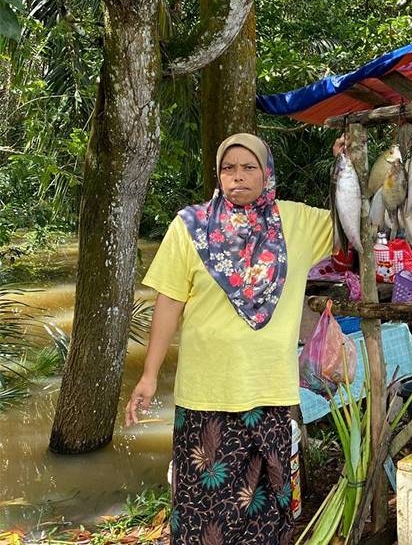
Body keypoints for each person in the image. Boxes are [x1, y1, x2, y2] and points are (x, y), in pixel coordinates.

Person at [125, 133, 333, 544]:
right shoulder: (190, 225)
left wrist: (352, 159)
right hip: (206, 395)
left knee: (268, 513)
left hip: (269, 394)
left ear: (267, 171)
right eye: (228, 168)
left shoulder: (298, 221)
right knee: (204, 517)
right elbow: (168, 303)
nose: (237, 177)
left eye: (248, 167)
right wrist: (149, 376)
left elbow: (360, 218)